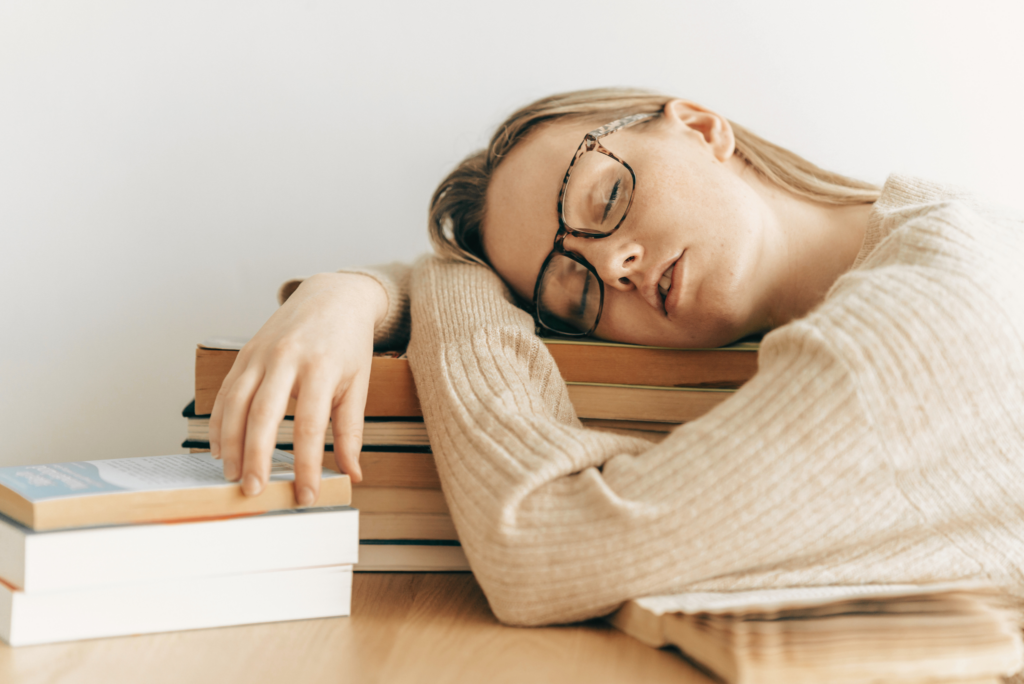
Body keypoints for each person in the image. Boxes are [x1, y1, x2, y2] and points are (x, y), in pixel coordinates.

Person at [207, 88, 1024, 626]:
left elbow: (539, 543)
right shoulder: (936, 232)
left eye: (603, 198)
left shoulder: (916, 320)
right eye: (573, 294)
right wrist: (352, 291)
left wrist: (435, 278)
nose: (614, 268)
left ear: (700, 128)